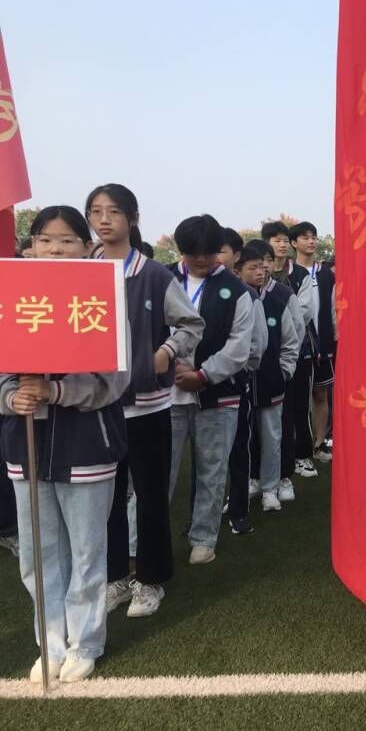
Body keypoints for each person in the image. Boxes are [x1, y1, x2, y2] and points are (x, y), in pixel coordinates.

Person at [1, 206, 130, 683]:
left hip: (86, 447)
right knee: (38, 556)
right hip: (27, 446)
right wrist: (11, 397)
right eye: (45, 240)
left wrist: (57, 391)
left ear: (87, 246)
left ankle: (86, 641)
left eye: (67, 240)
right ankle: (50, 644)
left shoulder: (104, 298)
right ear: (30, 246)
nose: (55, 249)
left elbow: (115, 379)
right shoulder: (12, 297)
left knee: (87, 553)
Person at [87, 184, 204, 619]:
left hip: (148, 405)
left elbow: (191, 324)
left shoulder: (154, 275)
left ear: (132, 218)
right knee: (106, 498)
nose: (104, 220)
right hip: (96, 405)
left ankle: (151, 579)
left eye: (114, 211)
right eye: (96, 211)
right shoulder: (83, 272)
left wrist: (166, 352)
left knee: (151, 495)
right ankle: (116, 576)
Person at [167, 215, 254, 565]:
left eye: (208, 252)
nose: (201, 259)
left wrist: (203, 375)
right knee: (160, 472)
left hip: (219, 393)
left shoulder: (236, 290)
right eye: (193, 252)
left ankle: (204, 537)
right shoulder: (163, 280)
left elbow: (240, 346)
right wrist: (169, 366)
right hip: (167, 393)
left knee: (212, 469)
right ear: (181, 250)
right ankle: (145, 539)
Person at [244, 239, 303, 511]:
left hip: (272, 379)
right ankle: (251, 479)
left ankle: (271, 486)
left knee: (272, 435)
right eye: (256, 264)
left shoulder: (281, 295)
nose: (263, 268)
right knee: (245, 436)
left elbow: (294, 336)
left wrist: (284, 370)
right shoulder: (240, 295)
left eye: (267, 262)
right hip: (242, 382)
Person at [217, 228, 268, 534]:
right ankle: (201, 517)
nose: (213, 257)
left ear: (235, 257)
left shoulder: (246, 295)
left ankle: (238, 510)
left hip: (236, 382)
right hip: (198, 386)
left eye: (220, 250)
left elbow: (257, 343)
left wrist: (244, 367)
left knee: (238, 447)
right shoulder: (192, 287)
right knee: (204, 455)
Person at [263, 221, 317, 482]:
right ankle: (271, 461)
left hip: (298, 349)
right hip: (265, 352)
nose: (282, 245)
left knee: (299, 405)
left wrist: (281, 331)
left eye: (285, 240)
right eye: (277, 240)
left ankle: (302, 455)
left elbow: (304, 312)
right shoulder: (259, 272)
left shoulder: (301, 275)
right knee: (270, 410)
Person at [289, 222, 336, 464]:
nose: (311, 241)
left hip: (324, 343)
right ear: (294, 243)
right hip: (298, 345)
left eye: (314, 237)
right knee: (297, 398)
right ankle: (297, 446)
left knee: (321, 393)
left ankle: (319, 443)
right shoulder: (289, 274)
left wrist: (334, 339)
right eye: (305, 237)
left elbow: (334, 308)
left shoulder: (326, 274)